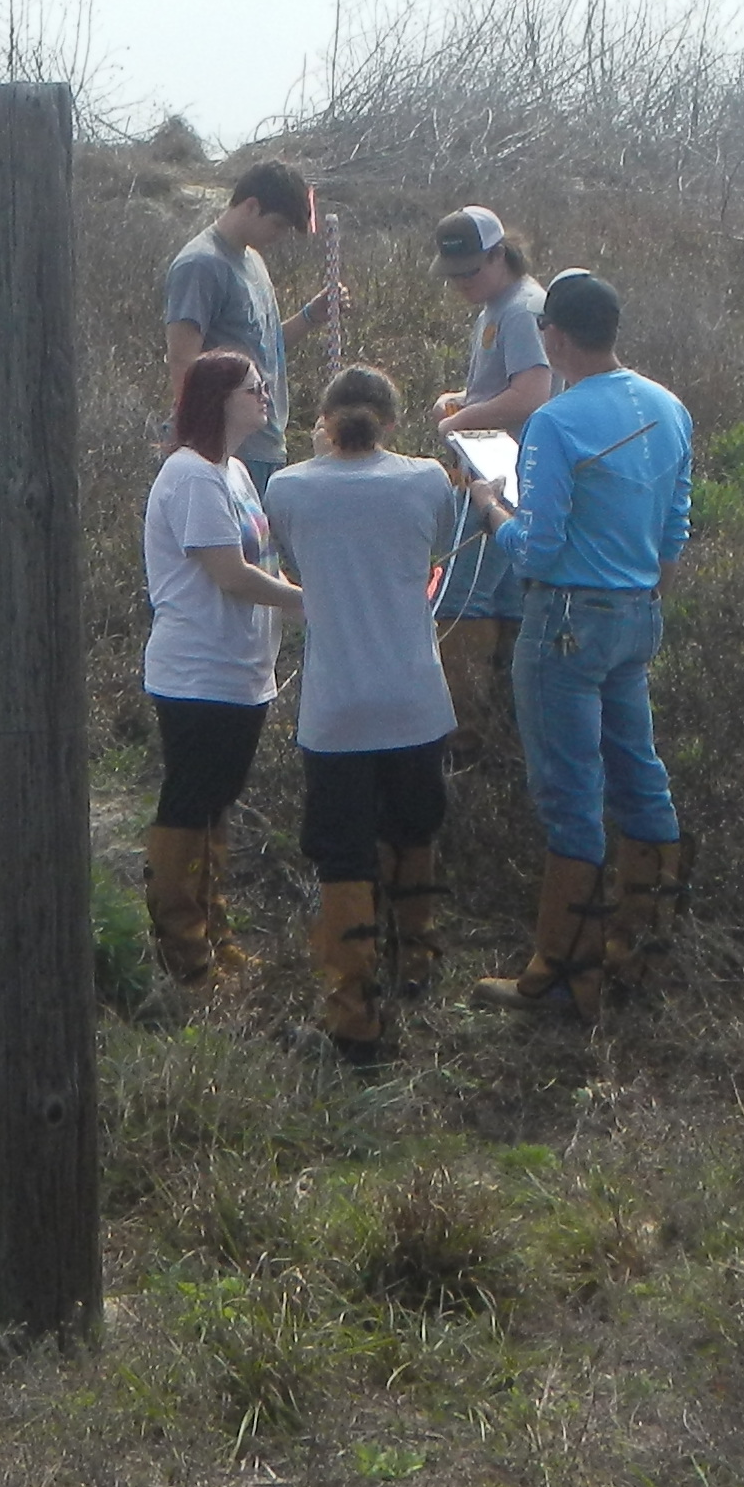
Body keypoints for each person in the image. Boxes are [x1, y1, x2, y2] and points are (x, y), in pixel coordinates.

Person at [462, 268, 693, 1017]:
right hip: (636, 615)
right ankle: (642, 950)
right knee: (640, 776)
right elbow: (673, 532)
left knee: (570, 795)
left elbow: (536, 549)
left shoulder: (558, 423)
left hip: (563, 621)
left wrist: (493, 507)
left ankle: (562, 974)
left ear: (555, 338)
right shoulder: (669, 407)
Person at [261, 362, 459, 1055]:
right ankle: (418, 969)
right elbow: (433, 543)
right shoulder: (428, 479)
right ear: (394, 422)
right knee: (414, 831)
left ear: (324, 420)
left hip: (336, 707)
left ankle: (353, 1016)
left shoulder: (287, 486)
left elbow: (295, 560)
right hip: (415, 700)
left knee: (344, 856)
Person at [138, 349, 300, 988]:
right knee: (190, 802)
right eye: (253, 389)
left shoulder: (232, 472)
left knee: (217, 804)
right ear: (219, 398)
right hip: (197, 674)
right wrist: (308, 605)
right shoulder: (194, 477)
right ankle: (183, 946)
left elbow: (263, 560)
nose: (265, 398)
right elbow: (230, 574)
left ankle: (214, 927)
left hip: (242, 673)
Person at [423, 206, 554, 753]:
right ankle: (503, 732)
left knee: (461, 600)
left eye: (470, 272)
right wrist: (466, 400)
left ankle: (467, 736)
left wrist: (459, 420)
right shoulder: (496, 308)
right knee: (503, 603)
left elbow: (532, 394)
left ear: (500, 254)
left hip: (503, 477)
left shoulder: (523, 310)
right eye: (452, 274)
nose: (459, 284)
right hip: (498, 471)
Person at [162, 160, 332, 483]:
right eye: (278, 225)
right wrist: (206, 451)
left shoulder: (253, 260)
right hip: (224, 452)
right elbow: (184, 362)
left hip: (265, 446)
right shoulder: (200, 265)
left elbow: (264, 349)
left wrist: (311, 316)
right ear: (252, 206)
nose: (280, 236)